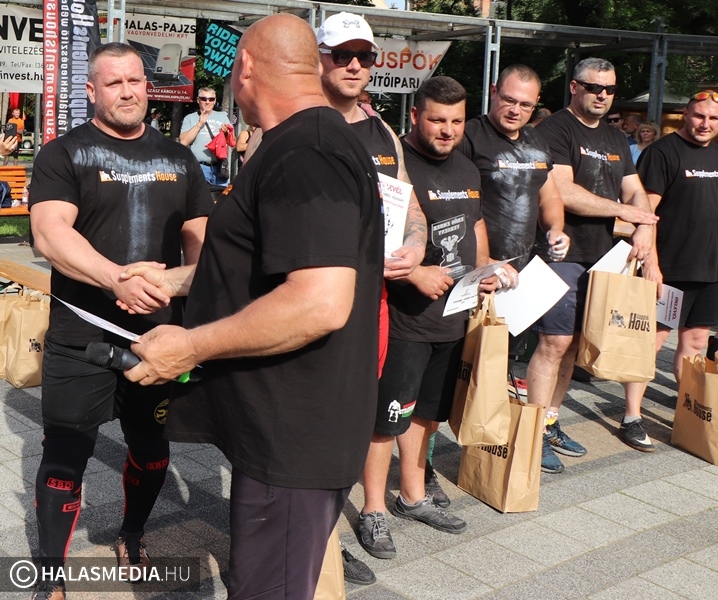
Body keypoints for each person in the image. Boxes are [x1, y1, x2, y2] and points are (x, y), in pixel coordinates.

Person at [123, 14, 384, 599]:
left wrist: (189, 346)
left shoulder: (307, 151)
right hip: (284, 429)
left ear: (244, 68)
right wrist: (173, 281)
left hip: (294, 438)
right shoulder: (304, 141)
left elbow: (318, 302)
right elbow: (270, 261)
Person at [27, 42, 212, 600]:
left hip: (157, 341)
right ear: (91, 91)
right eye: (114, 83)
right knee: (63, 460)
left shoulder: (179, 159)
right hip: (79, 338)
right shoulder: (64, 153)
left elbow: (204, 249)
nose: (128, 92)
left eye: (135, 81)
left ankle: (131, 536)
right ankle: (50, 578)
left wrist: (178, 291)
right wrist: (116, 279)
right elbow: (49, 234)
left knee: (152, 451)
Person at [356, 76, 498, 560]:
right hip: (405, 318)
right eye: (437, 120)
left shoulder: (467, 165)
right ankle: (373, 508)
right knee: (387, 419)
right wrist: (415, 272)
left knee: (428, 415)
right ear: (415, 115)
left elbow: (476, 222)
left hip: (452, 317)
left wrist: (487, 269)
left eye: (457, 121)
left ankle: (412, 496)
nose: (447, 130)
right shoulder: (395, 163)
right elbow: (374, 234)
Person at [315, 11, 427, 583]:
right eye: (342, 55)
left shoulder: (382, 130)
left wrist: (416, 244)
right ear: (320, 59)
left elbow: (410, 204)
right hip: (314, 299)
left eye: (364, 56)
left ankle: (332, 532)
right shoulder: (295, 122)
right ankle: (315, 542)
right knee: (313, 419)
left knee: (355, 417)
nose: (355, 65)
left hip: (373, 302)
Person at [529, 57, 659, 474]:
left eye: (610, 89)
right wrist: (627, 212)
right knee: (554, 342)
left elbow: (635, 191)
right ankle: (531, 434)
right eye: (593, 87)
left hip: (605, 257)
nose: (602, 95)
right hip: (562, 253)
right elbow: (563, 191)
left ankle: (549, 420)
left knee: (574, 346)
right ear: (574, 87)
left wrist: (644, 227)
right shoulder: (555, 129)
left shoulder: (615, 136)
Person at [459, 63, 569, 386]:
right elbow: (456, 208)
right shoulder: (469, 136)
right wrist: (485, 262)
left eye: (525, 104)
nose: (515, 110)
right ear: (493, 92)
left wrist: (556, 229)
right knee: (462, 370)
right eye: (509, 100)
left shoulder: (537, 140)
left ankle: (490, 420)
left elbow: (549, 196)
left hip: (520, 278)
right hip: (477, 274)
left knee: (497, 369)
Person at [624, 91, 718, 441]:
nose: (705, 124)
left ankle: (689, 412)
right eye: (699, 116)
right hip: (670, 269)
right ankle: (632, 417)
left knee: (695, 342)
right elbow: (645, 214)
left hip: (710, 270)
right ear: (685, 115)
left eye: (713, 118)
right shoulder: (662, 152)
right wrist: (651, 263)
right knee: (651, 343)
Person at [179, 87, 233, 186]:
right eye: (204, 99)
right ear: (198, 100)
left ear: (215, 101)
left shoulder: (222, 116)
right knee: (199, 195)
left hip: (219, 168)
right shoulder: (190, 118)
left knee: (221, 196)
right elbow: (183, 141)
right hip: (199, 167)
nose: (207, 102)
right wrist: (200, 124)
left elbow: (232, 141)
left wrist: (226, 133)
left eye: (211, 99)